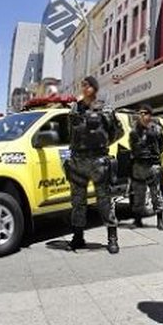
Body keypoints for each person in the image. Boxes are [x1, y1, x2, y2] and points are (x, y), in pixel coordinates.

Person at [65, 75, 125, 253]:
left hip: (99, 161)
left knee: (104, 201)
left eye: (87, 85)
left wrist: (103, 143)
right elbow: (71, 132)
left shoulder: (105, 109)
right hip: (78, 161)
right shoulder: (75, 109)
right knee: (77, 202)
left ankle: (112, 238)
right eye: (82, 84)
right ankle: (78, 237)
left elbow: (118, 131)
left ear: (94, 88)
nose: (83, 87)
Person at [129, 104, 163, 230]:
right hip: (138, 165)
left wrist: (155, 155)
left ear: (150, 115)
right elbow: (132, 146)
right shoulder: (134, 131)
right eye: (140, 113)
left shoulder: (157, 129)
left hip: (152, 165)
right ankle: (137, 220)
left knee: (155, 193)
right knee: (138, 193)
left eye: (145, 113)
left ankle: (160, 220)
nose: (142, 115)